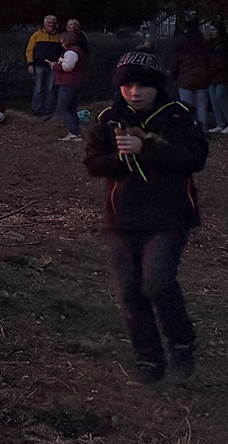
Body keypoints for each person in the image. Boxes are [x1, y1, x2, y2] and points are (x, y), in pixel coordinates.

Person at [84, 50, 209, 384]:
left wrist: (147, 149)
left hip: (170, 216)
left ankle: (182, 345)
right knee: (130, 291)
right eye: (128, 85)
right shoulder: (110, 117)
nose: (135, 92)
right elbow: (93, 162)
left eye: (143, 85)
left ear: (157, 86)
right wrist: (118, 158)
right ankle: (149, 360)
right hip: (122, 218)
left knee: (157, 281)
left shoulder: (178, 115)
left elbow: (194, 157)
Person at [172, 23, 212, 133]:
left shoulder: (182, 45)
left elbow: (176, 63)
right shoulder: (204, 44)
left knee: (186, 107)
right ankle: (203, 130)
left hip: (186, 79)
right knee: (202, 107)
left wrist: (172, 74)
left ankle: (188, 130)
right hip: (202, 79)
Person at [52, 30, 86, 141]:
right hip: (74, 83)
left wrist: (55, 66)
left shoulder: (71, 52)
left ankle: (73, 132)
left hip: (68, 83)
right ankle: (74, 132)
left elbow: (67, 67)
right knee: (71, 108)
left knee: (62, 109)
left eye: (63, 42)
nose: (62, 44)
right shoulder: (77, 51)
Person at [26, 14, 62, 117]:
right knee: (38, 88)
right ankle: (36, 109)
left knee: (50, 89)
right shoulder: (36, 35)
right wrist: (30, 64)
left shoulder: (58, 36)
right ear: (44, 23)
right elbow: (29, 50)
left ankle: (48, 110)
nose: (51, 25)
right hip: (39, 65)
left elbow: (61, 51)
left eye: (53, 23)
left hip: (53, 66)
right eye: (49, 23)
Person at [206, 20, 227, 134]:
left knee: (220, 97)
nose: (211, 32)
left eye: (213, 30)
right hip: (212, 75)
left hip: (222, 75)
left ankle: (225, 122)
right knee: (214, 99)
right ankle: (220, 123)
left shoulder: (224, 43)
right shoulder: (211, 43)